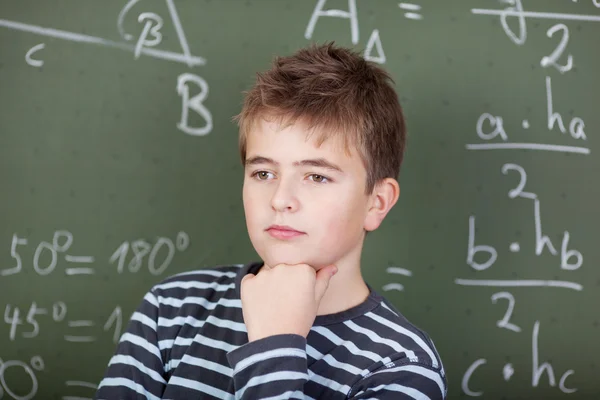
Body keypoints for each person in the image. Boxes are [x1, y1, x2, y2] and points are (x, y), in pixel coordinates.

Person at [95, 42, 447, 399]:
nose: (280, 199)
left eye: (317, 177)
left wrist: (274, 347)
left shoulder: (401, 366)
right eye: (263, 173)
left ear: (377, 202)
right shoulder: (170, 310)